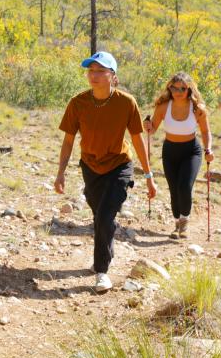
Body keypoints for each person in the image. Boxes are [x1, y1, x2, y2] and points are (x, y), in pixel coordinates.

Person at [54, 51, 157, 292]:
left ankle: (101, 271)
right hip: (90, 166)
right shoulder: (77, 102)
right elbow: (68, 141)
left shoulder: (126, 102)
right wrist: (60, 173)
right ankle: (105, 252)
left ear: (113, 76)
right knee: (99, 215)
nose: (94, 75)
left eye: (101, 71)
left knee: (104, 217)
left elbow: (137, 139)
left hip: (119, 165)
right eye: (91, 70)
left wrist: (149, 176)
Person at [145, 72, 213, 239]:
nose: (178, 91)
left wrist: (208, 149)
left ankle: (184, 222)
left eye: (182, 88)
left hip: (191, 151)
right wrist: (147, 125)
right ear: (170, 88)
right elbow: (152, 129)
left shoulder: (197, 109)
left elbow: (205, 132)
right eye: (174, 88)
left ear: (188, 89)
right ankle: (177, 224)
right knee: (174, 190)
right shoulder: (163, 107)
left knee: (184, 186)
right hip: (170, 151)